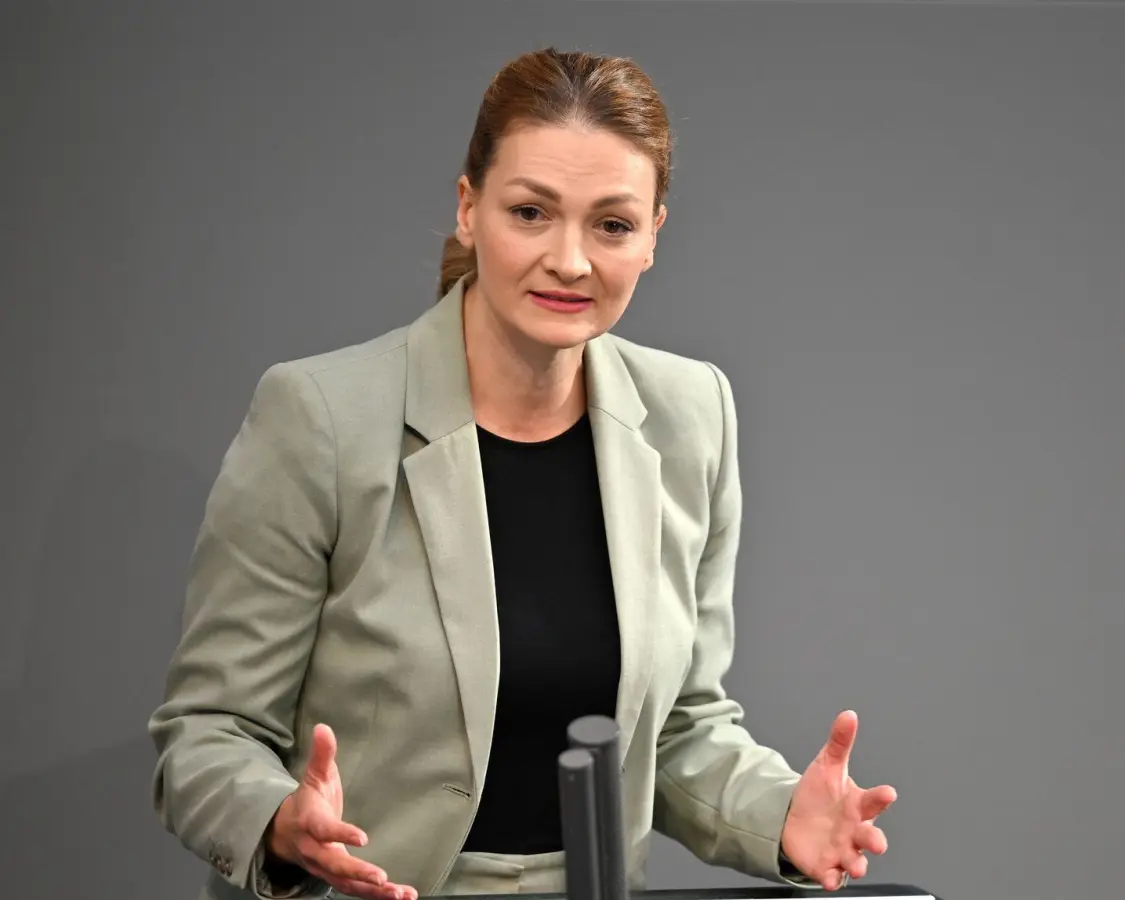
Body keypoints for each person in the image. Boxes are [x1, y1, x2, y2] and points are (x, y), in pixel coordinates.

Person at [147, 46, 898, 900]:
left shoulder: (694, 414)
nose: (571, 260)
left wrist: (781, 818)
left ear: (653, 236)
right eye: (531, 212)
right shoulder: (319, 417)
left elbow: (680, 728)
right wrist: (280, 823)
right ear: (469, 210)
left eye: (611, 224)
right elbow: (208, 731)